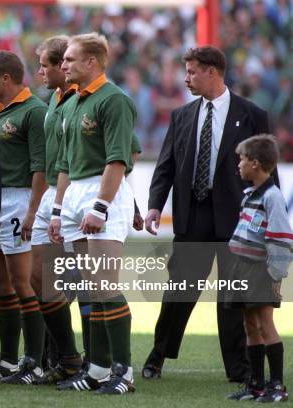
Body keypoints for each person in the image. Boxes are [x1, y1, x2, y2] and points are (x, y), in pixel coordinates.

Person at [142, 46, 271, 383]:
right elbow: (165, 165)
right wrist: (156, 204)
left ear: (212, 71)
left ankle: (238, 370)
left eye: (192, 72)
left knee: (232, 297)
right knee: (179, 293)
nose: (186, 78)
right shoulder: (181, 115)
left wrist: (267, 214)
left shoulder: (253, 114)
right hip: (192, 216)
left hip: (237, 220)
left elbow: (268, 171)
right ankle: (157, 358)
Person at [49, 32, 136, 395]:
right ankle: (98, 370)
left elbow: (118, 159)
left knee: (105, 285)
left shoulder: (113, 100)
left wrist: (100, 206)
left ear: (92, 63)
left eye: (69, 59)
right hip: (75, 193)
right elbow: (66, 163)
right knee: (91, 288)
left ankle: (124, 372)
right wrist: (57, 210)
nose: (63, 64)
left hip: (103, 191)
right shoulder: (70, 103)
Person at [0, 51, 48, 383]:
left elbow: (40, 166)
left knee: (23, 281)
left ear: (5, 78)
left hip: (19, 200)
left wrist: (32, 211)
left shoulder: (34, 112)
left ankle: (35, 361)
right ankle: (8, 360)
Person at [29, 35, 83, 384]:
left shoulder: (88, 99)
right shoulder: (54, 100)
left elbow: (127, 152)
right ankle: (66, 356)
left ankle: (92, 361)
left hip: (76, 194)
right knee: (40, 279)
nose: (43, 72)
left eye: (46, 65)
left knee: (83, 282)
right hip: (53, 192)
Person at [225, 134, 290, 402]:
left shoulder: (272, 197)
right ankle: (256, 384)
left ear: (254, 163)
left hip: (259, 270)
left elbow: (281, 237)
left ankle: (277, 387)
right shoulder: (249, 194)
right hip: (240, 267)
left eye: (241, 160)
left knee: (265, 325)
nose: (237, 165)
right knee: (248, 324)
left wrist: (276, 274)